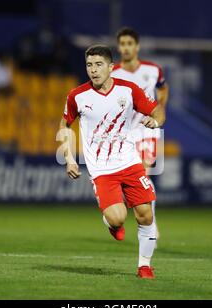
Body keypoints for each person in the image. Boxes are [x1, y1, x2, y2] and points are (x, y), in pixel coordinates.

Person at [59, 45, 165, 278]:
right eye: (89, 65)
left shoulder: (128, 90)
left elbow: (157, 110)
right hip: (101, 170)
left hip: (129, 162)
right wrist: (69, 158)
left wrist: (155, 122)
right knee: (117, 218)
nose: (93, 70)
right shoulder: (77, 96)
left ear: (111, 67)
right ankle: (112, 224)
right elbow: (65, 126)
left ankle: (144, 266)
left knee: (145, 214)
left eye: (98, 65)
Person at [111, 27, 169, 244]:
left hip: (147, 131)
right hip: (123, 134)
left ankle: (150, 224)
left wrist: (160, 108)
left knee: (143, 175)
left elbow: (163, 89)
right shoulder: (113, 73)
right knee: (128, 181)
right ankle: (120, 216)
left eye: (129, 44)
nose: (125, 48)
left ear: (137, 47)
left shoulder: (153, 70)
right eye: (122, 44)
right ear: (118, 47)